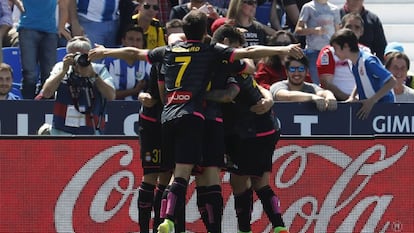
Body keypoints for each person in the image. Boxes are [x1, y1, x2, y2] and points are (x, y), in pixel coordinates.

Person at [88, 9, 303, 233]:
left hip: (169, 117)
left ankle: (166, 221)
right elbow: (248, 58)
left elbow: (134, 53)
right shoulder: (212, 51)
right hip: (202, 119)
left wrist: (105, 52)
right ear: (205, 33)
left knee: (174, 175)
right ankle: (176, 221)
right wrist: (283, 48)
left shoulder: (170, 51)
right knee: (207, 177)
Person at [205, 24, 290, 233]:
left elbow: (229, 94)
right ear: (226, 43)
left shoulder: (226, 63)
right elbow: (251, 74)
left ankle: (246, 229)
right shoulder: (234, 63)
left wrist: (196, 96)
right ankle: (279, 227)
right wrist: (268, 97)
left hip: (251, 130)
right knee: (260, 182)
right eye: (237, 47)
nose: (240, 53)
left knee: (240, 181)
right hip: (267, 126)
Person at [39, 36, 115, 135]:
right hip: (62, 131)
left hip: (91, 131)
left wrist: (93, 75)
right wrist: (63, 71)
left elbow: (111, 96)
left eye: (83, 55)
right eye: (75, 55)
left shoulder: (98, 70)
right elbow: (46, 93)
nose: (79, 59)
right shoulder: (61, 68)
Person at [330, 28, 396, 120]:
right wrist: (352, 97)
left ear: (346, 46)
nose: (335, 53)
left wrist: (372, 100)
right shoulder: (353, 63)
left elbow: (392, 81)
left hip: (385, 108)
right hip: (369, 108)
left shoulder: (368, 61)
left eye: (336, 49)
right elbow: (360, 80)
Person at [17, 0, 66, 99]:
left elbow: (64, 3)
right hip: (28, 27)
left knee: (49, 73)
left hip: (50, 30)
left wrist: (61, 26)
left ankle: (46, 106)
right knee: (30, 74)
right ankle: (27, 105)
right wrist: (18, 3)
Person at [316, 12, 369, 101]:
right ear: (341, 28)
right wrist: (349, 99)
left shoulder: (366, 51)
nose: (352, 30)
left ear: (362, 31)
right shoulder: (329, 52)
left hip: (361, 102)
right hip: (336, 103)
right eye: (349, 27)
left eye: (357, 27)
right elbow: (326, 83)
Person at [294, 0, 341, 85]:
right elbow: (298, 30)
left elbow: (338, 31)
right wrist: (313, 31)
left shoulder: (335, 9)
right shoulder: (308, 7)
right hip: (314, 51)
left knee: (333, 82)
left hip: (331, 51)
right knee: (315, 82)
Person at [271, 56, 337, 111]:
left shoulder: (312, 87)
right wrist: (312, 97)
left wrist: (329, 96)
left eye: (301, 69)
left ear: (307, 71)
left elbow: (323, 92)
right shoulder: (277, 86)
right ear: (286, 72)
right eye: (292, 69)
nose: (296, 73)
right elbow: (287, 96)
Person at [104, 25, 150, 100]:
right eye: (131, 39)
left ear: (143, 43)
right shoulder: (110, 61)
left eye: (138, 40)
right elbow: (107, 94)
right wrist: (134, 91)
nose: (134, 44)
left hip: (140, 107)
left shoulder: (147, 61)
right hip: (113, 107)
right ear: (123, 41)